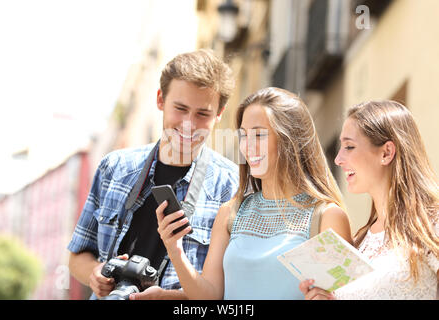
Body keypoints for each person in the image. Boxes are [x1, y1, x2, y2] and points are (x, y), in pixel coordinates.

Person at [67, 49, 239, 299]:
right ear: (160, 100)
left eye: (203, 114)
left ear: (219, 114)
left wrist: (167, 298)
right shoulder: (114, 167)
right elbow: (77, 256)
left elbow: (228, 289)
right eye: (180, 108)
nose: (189, 124)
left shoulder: (231, 185)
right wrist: (95, 273)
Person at [156, 87, 352, 299]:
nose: (248, 146)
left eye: (259, 135)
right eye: (243, 136)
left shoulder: (327, 217)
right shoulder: (230, 213)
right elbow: (210, 296)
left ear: (290, 140)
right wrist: (175, 250)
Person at [300, 100, 439, 300]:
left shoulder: (432, 223)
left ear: (386, 152)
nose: (338, 159)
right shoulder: (360, 241)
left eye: (349, 146)